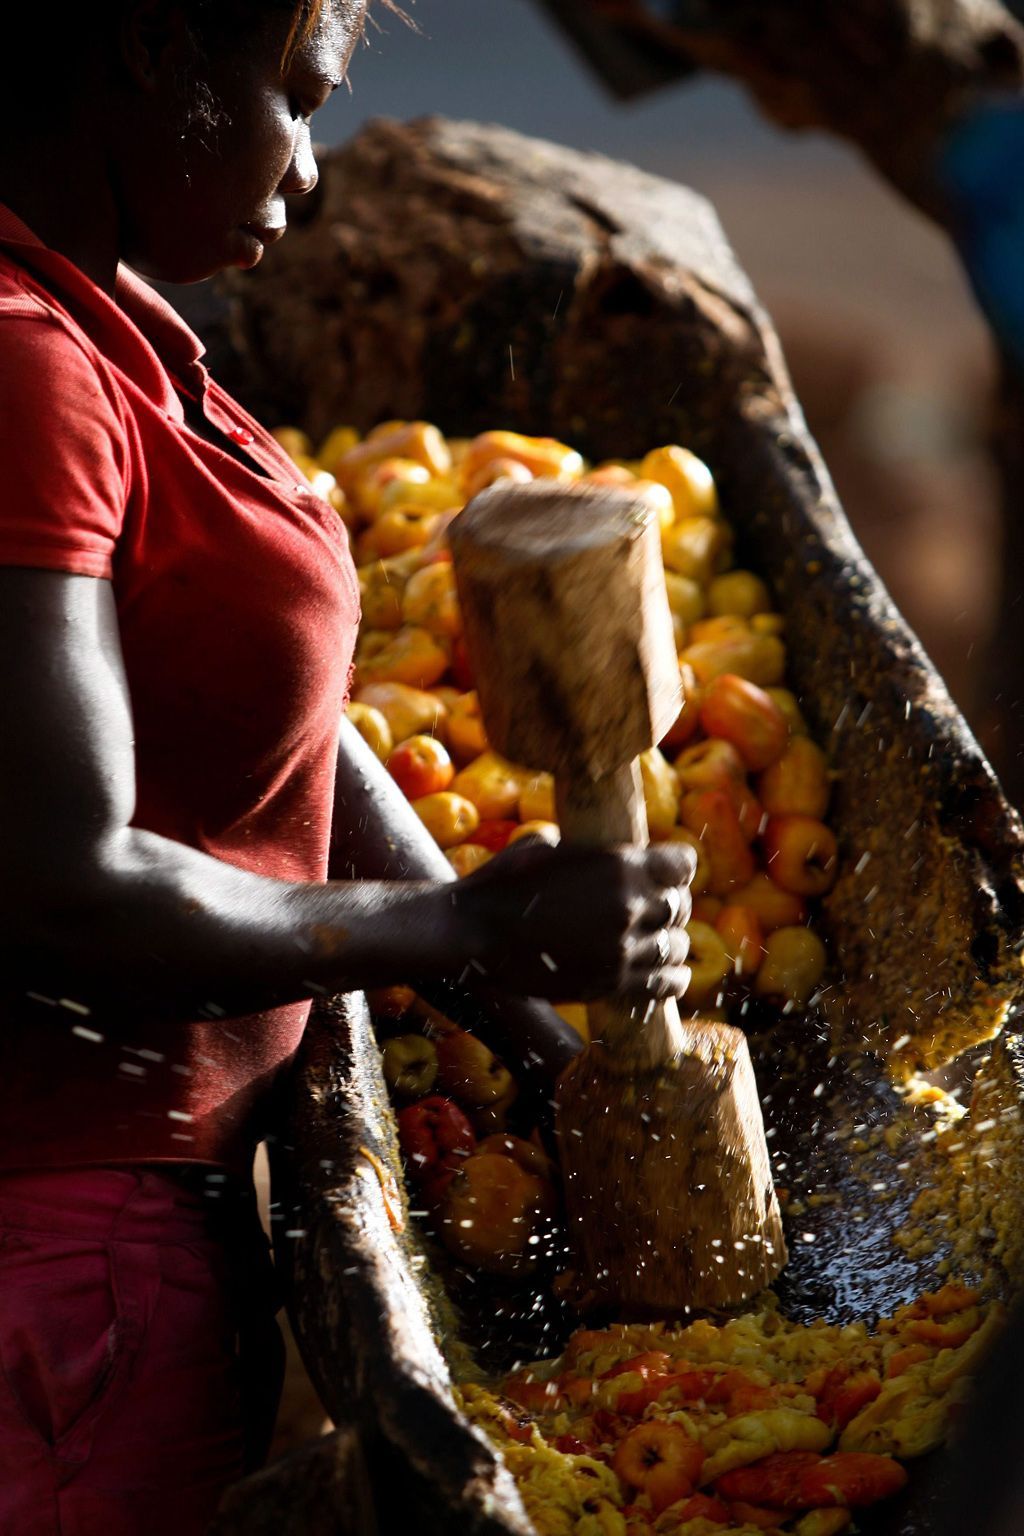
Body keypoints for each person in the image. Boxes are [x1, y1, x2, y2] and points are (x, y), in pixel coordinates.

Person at [0, 2, 694, 1531]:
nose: (312, 174)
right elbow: (60, 880)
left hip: (139, 1230)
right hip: (62, 1264)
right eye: (293, 99)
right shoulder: (23, 367)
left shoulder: (116, 323)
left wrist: (546, 1042)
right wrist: (470, 928)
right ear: (150, 48)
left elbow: (300, 730)